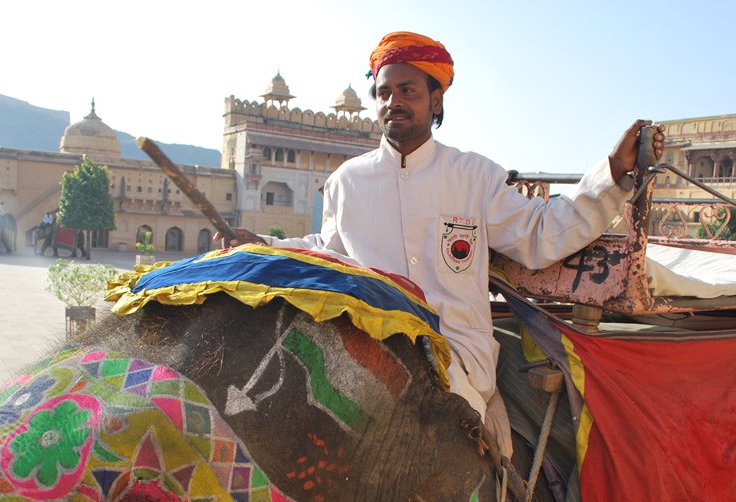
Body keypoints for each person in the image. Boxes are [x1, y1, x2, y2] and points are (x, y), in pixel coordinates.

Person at [218, 31, 663, 457]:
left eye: (407, 90)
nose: (393, 102)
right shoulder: (348, 182)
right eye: (383, 93)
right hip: (370, 343)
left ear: (436, 101)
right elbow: (329, 248)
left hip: (455, 353)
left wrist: (611, 172)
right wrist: (260, 245)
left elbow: (543, 236)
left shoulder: (475, 177)